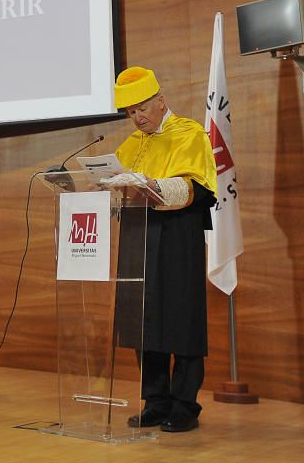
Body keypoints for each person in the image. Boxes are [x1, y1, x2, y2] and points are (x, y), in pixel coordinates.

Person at [111, 66, 217, 434]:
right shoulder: (131, 145)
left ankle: (185, 403)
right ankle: (155, 400)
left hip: (177, 233)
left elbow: (200, 188)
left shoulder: (189, 133)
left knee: (180, 316)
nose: (137, 117)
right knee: (143, 320)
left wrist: (155, 187)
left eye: (141, 108)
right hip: (138, 234)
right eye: (130, 112)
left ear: (160, 101)